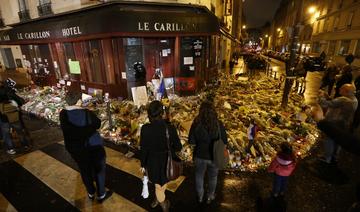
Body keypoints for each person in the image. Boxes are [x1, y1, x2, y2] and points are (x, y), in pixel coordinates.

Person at [59, 90, 112, 203]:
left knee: (85, 170)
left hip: (75, 149)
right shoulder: (86, 113)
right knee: (99, 169)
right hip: (93, 146)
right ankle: (101, 194)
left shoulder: (63, 114)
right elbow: (97, 124)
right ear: (79, 101)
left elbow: (68, 129)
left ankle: (91, 192)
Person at [140, 100, 182, 212]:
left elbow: (143, 149)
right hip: (166, 162)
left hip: (151, 162)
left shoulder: (145, 128)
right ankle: (163, 203)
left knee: (157, 183)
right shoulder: (170, 128)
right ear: (161, 113)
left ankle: (157, 199)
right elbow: (179, 147)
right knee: (161, 185)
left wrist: (143, 164)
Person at [188, 101, 228, 204]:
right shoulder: (218, 124)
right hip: (214, 157)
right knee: (213, 177)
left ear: (201, 111)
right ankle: (210, 196)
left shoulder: (196, 123)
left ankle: (200, 196)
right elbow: (224, 141)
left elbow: (191, 142)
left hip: (199, 156)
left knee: (199, 176)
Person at [318, 84, 358, 164]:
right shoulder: (355, 100)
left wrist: (321, 96)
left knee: (329, 139)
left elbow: (326, 104)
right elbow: (336, 104)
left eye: (341, 88)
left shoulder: (343, 99)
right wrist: (328, 97)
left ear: (346, 91)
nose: (338, 88)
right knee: (338, 140)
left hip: (334, 122)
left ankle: (326, 157)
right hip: (344, 123)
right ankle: (334, 156)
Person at [0, 79, 29, 155]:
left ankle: (11, 148)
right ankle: (25, 145)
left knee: (6, 133)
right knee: (19, 130)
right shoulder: (9, 91)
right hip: (14, 115)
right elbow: (20, 101)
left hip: (3, 117)